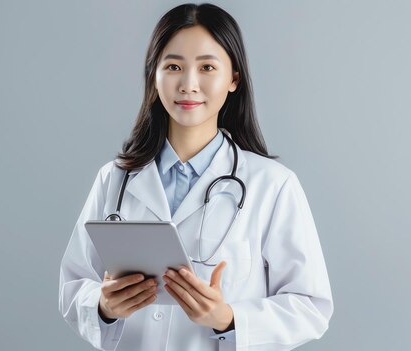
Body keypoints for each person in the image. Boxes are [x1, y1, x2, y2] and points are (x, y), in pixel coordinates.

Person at [58, 3, 333, 350]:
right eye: (173, 66)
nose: (188, 84)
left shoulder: (273, 184)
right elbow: (74, 285)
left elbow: (311, 306)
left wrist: (228, 319)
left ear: (233, 79)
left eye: (207, 67)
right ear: (154, 76)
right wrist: (103, 306)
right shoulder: (115, 179)